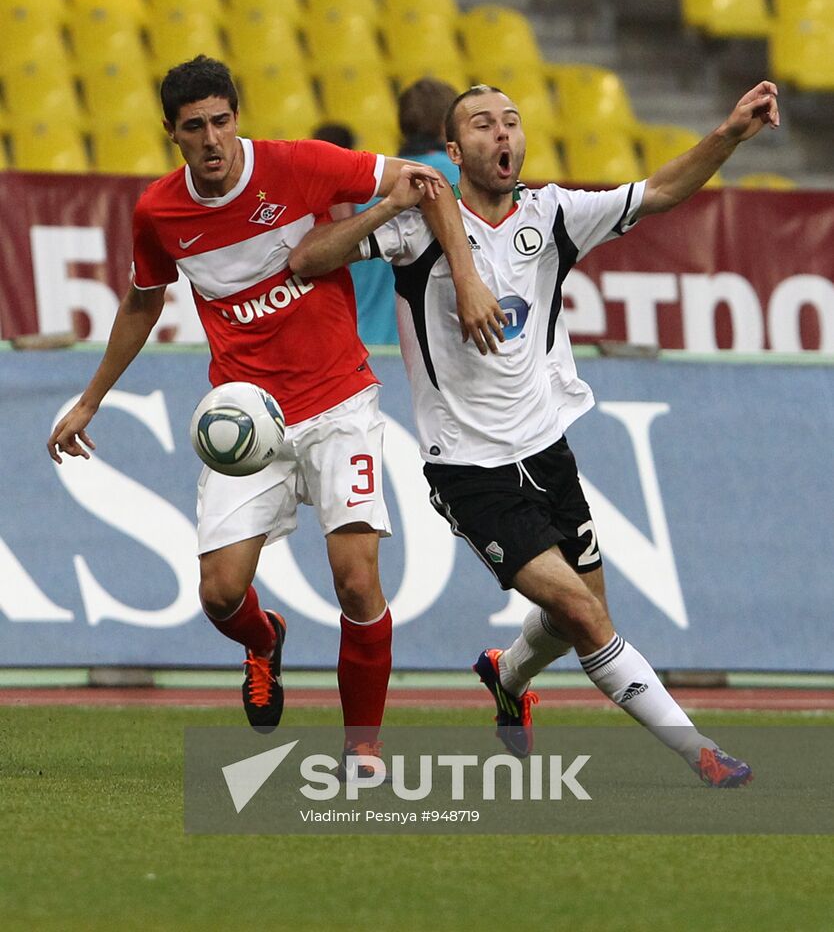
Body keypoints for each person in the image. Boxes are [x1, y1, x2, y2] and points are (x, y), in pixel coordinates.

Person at [287, 80, 782, 788]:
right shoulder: (415, 230)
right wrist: (387, 207)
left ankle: (507, 675)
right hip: (469, 468)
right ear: (455, 150)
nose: (502, 133)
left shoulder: (553, 215)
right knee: (580, 610)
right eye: (483, 124)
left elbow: (660, 192)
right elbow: (308, 259)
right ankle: (699, 751)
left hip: (547, 453)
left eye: (511, 122)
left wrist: (729, 133)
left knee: (581, 612)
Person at [46, 56, 505, 768]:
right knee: (220, 594)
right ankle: (264, 643)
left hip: (339, 400)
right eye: (194, 127)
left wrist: (468, 280)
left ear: (237, 116)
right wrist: (90, 399)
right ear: (171, 132)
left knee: (357, 580)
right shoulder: (158, 213)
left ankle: (362, 747)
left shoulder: (300, 165)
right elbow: (142, 301)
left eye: (221, 121)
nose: (211, 140)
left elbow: (428, 182)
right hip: (247, 416)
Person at [352, 77, 460, 345]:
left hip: (364, 342)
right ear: (447, 126)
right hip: (422, 345)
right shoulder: (460, 178)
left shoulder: (371, 183)